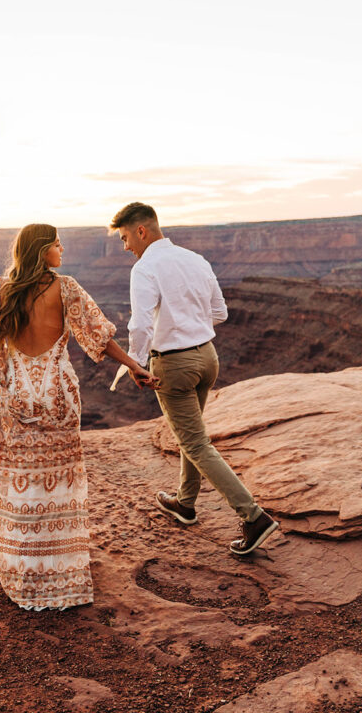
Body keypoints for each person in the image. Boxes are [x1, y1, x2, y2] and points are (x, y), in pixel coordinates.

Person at [0, 223, 156, 611]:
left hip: (14, 399)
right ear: (42, 250)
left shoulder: (4, 290)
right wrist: (133, 365)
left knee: (19, 485)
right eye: (58, 245)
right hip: (58, 395)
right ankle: (62, 576)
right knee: (56, 486)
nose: (63, 251)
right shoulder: (67, 287)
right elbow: (97, 337)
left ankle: (25, 571)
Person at [109, 202, 279, 556]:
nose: (125, 247)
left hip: (174, 365)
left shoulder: (145, 268)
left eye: (125, 238)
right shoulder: (195, 259)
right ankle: (185, 503)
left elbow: (139, 324)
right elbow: (221, 312)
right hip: (207, 358)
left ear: (141, 231)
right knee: (192, 436)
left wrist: (136, 365)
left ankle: (253, 517)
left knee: (197, 443)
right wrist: (190, 326)